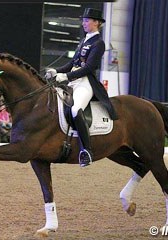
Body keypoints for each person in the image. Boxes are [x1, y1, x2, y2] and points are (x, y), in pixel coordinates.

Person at [45, 8, 117, 167]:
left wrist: (66, 76)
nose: (83, 23)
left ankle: (87, 151)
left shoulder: (98, 43)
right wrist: (56, 71)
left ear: (96, 23)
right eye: (83, 20)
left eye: (87, 20)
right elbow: (72, 64)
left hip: (85, 82)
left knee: (75, 109)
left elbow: (89, 67)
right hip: (73, 82)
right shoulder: (84, 41)